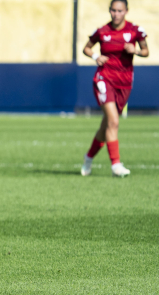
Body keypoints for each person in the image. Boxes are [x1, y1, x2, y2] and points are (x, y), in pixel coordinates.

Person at [81, 0, 148, 177]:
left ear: (126, 11)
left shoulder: (135, 31)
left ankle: (88, 158)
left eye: (120, 10)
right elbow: (86, 48)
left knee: (106, 126)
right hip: (104, 79)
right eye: (113, 10)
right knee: (114, 121)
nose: (116, 14)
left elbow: (146, 51)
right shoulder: (102, 31)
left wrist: (136, 50)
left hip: (124, 83)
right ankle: (116, 165)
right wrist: (96, 55)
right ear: (110, 11)